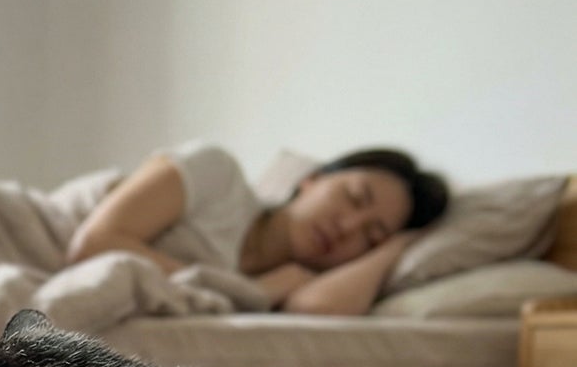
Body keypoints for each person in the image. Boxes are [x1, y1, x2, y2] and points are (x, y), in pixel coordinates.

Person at [64, 141, 450, 316]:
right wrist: (251, 292)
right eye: (354, 197)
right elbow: (94, 245)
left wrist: (395, 246)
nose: (348, 226)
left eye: (371, 235)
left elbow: (317, 307)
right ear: (311, 179)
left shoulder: (294, 281)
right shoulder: (218, 174)